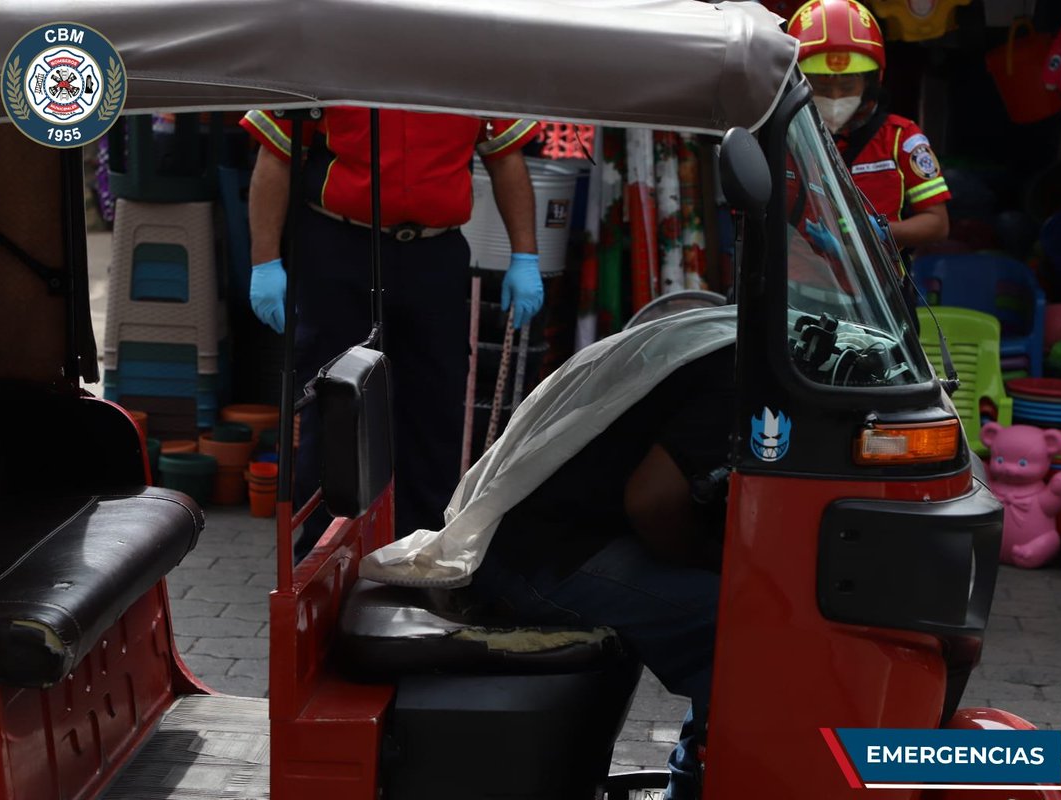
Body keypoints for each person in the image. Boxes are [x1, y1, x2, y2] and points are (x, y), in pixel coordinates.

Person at [358, 305, 739, 800]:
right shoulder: (741, 376)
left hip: (546, 533)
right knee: (741, 629)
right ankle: (698, 788)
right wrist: (717, 562)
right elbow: (653, 502)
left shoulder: (726, 334)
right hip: (538, 558)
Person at [240, 107, 543, 558]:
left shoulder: (474, 57)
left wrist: (526, 256)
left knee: (435, 408)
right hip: (339, 248)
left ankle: (420, 552)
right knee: (334, 402)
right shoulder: (327, 51)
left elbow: (506, 157)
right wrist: (265, 261)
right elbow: (277, 154)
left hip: (434, 255)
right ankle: (323, 554)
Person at [787, 0, 951, 250]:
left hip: (877, 287)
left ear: (870, 82)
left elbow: (938, 224)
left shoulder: (902, 138)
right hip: (799, 283)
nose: (835, 96)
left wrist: (878, 231)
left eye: (847, 86)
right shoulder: (786, 136)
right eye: (821, 85)